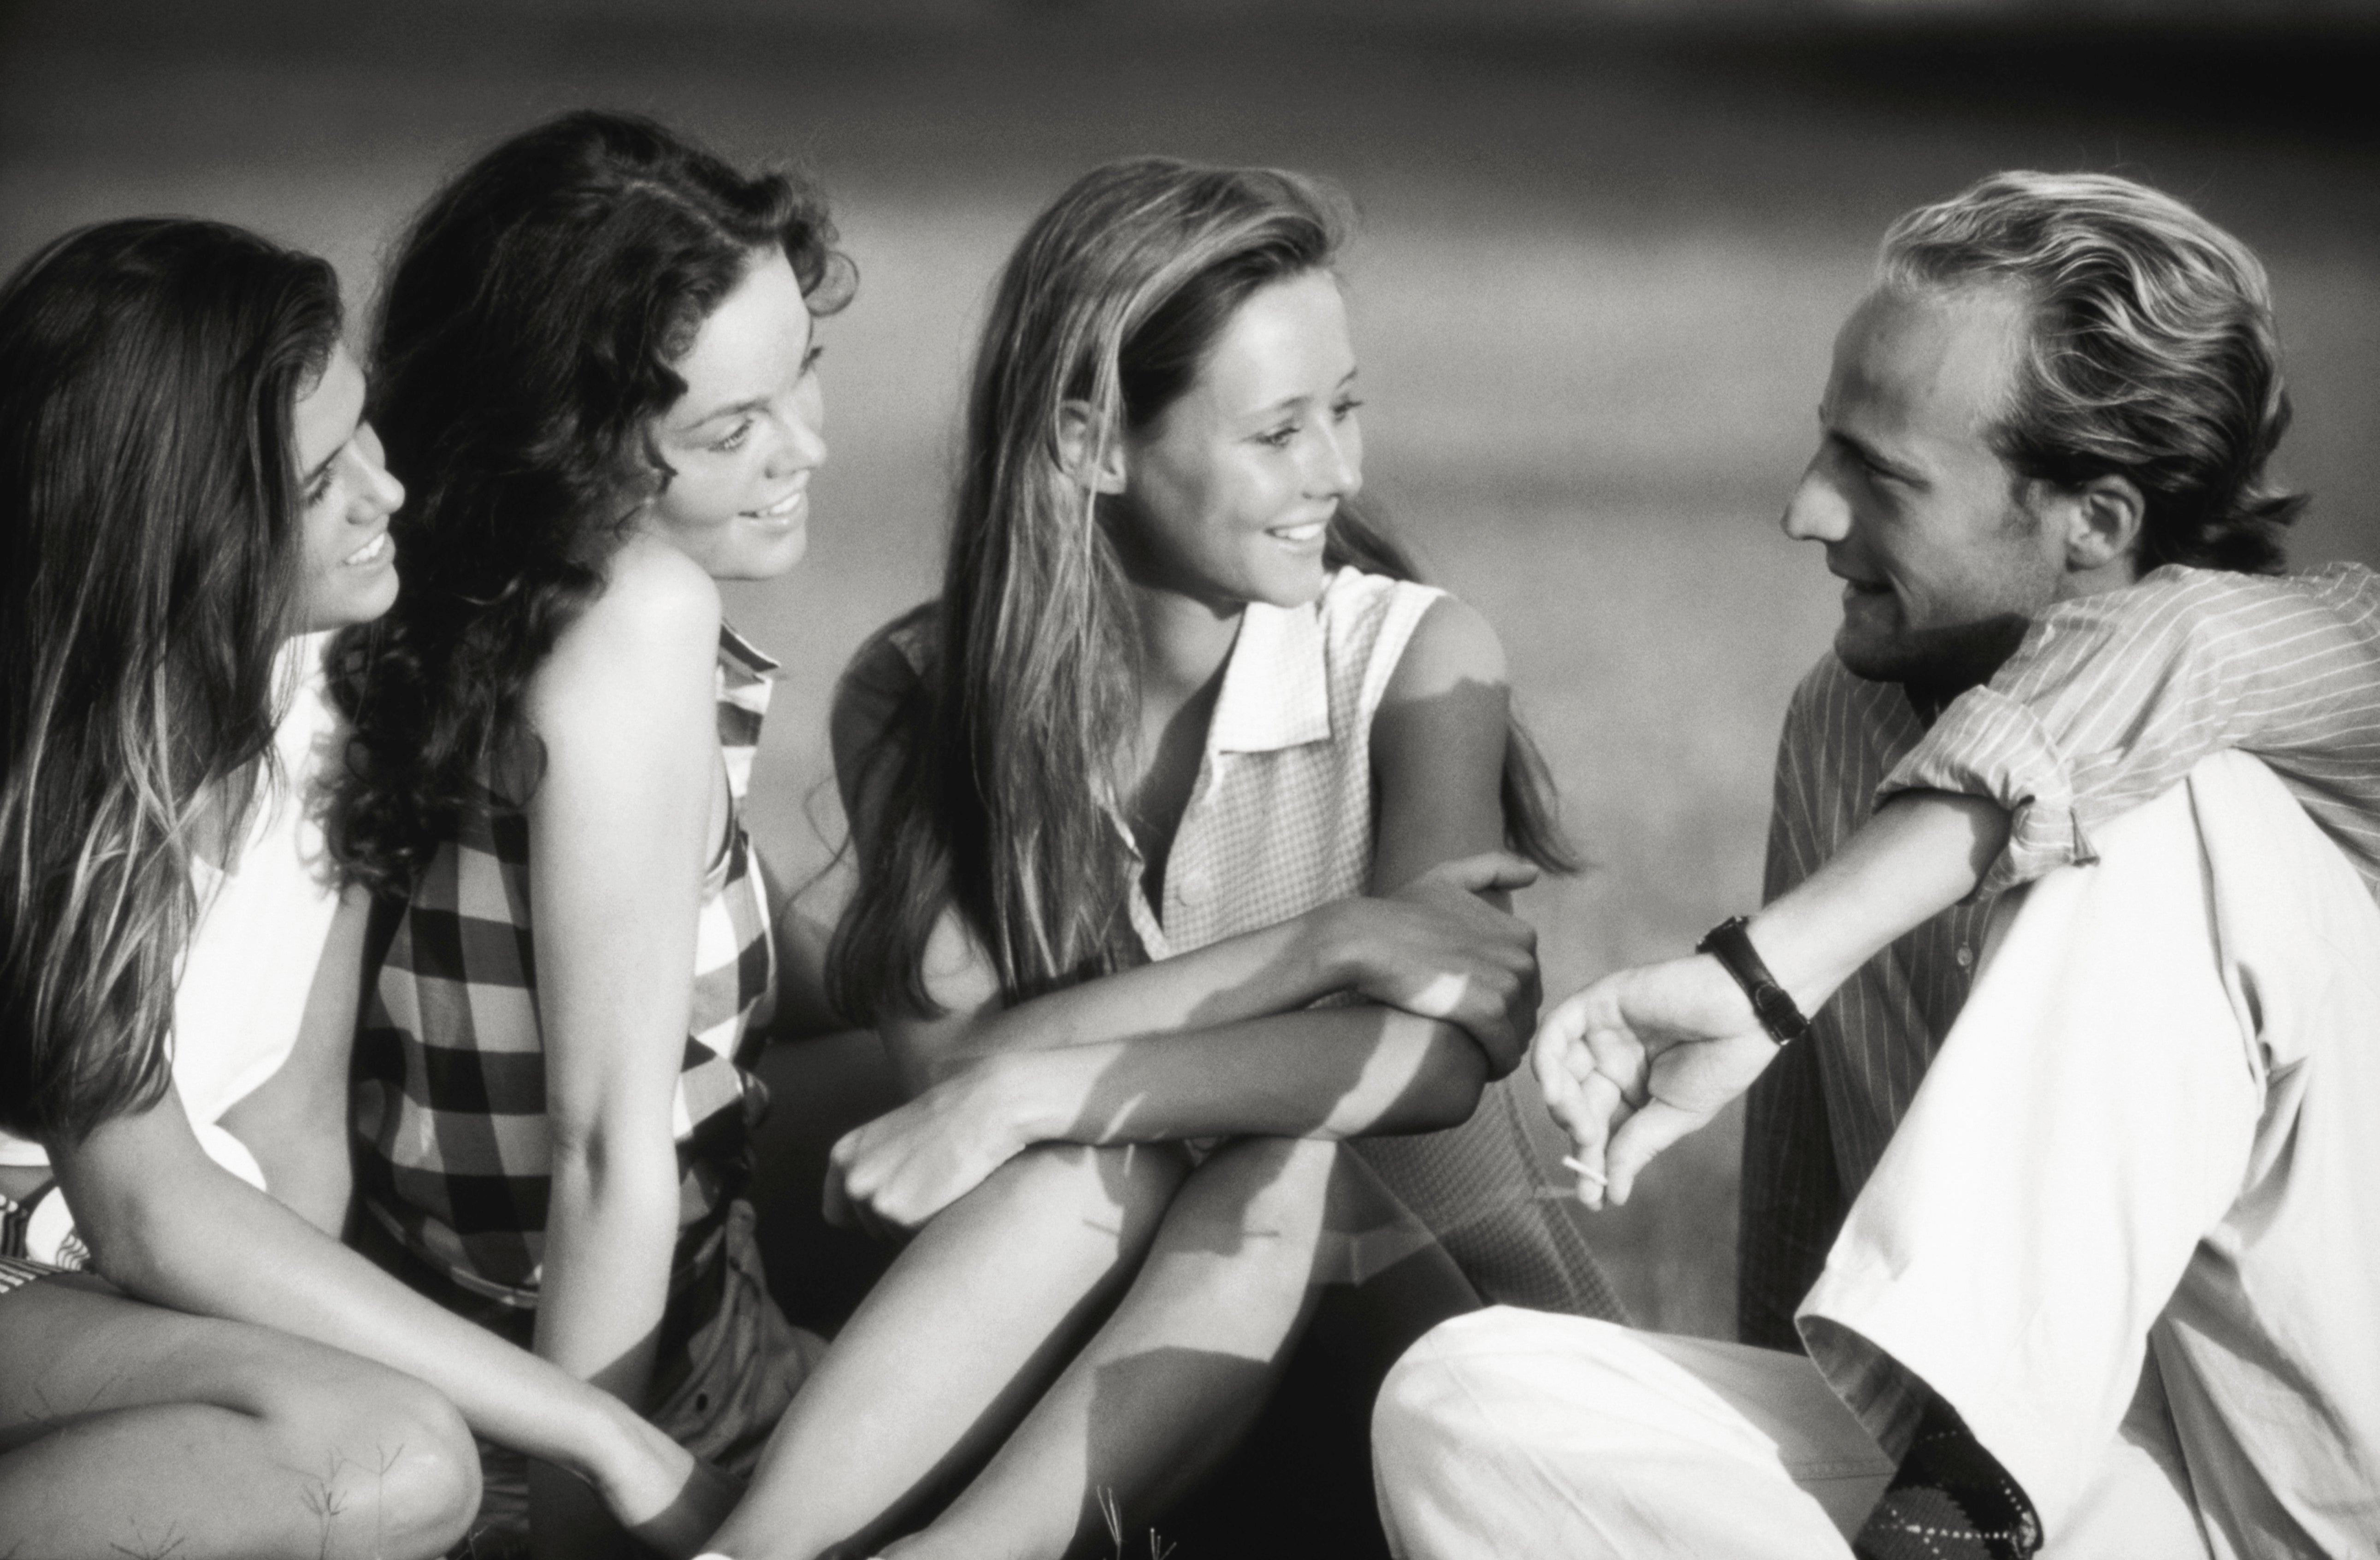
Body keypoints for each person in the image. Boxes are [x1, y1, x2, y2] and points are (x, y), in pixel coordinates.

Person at [1374, 171, 2380, 1559]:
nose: (1806, 511)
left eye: (1880, 474)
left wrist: (1763, 973)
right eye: (1824, 447)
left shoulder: (2331, 665)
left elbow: (2162, 658)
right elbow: (1807, 1221)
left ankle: (1953, 1521)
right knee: (1465, 1398)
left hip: (2324, 1493)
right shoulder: (1845, 721)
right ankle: (1939, 1527)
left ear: (2095, 520)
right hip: (2073, 1504)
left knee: (2158, 798)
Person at [697, 157, 1619, 1560]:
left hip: (1446, 1373)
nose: (1339, 472)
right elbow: (946, 1075)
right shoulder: (920, 694)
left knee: (1273, 1161)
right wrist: (1327, 946)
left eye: (1344, 409)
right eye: (1279, 431)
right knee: (1095, 1161)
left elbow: (1431, 1057)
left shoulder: (1418, 661)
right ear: (1092, 444)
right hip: (1132, 1366)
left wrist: (1037, 1085)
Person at [0, 218, 731, 1560]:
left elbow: (286, 1120)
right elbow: (150, 1206)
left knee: (379, 1455)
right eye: (318, 478)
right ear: (183, 527)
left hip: (106, 1283)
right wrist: (606, 1434)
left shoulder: (314, 688)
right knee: (393, 1459)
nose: (384, 491)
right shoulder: (57, 770)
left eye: (365, 431)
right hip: (38, 1260)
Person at [326, 110, 855, 1557]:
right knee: (1106, 1186)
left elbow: (773, 979)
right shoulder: (638, 623)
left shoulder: (427, 592)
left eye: (803, 371)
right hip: (634, 1363)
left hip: (428, 1308)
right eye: (730, 430)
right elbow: (610, 1151)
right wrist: (582, 1507)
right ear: (570, 442)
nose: (806, 448)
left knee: (975, 1074)